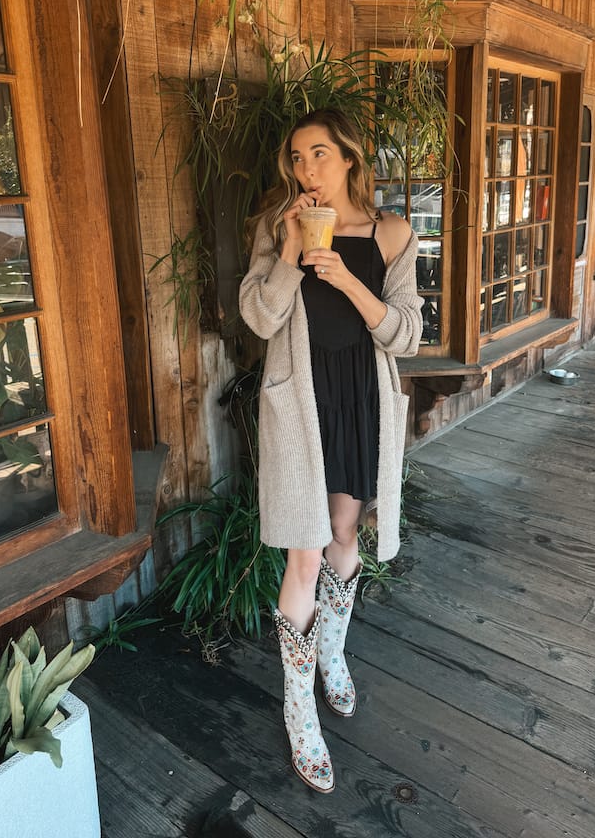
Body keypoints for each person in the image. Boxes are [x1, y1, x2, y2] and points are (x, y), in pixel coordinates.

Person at [239, 108, 423, 793]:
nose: (305, 167)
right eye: (296, 156)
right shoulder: (277, 227)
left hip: (362, 401)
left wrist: (344, 275)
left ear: (348, 158)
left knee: (346, 530)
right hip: (302, 405)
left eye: (319, 153)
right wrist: (290, 251)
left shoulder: (393, 232)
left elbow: (406, 334)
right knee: (306, 549)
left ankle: (334, 660)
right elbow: (259, 317)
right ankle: (298, 708)